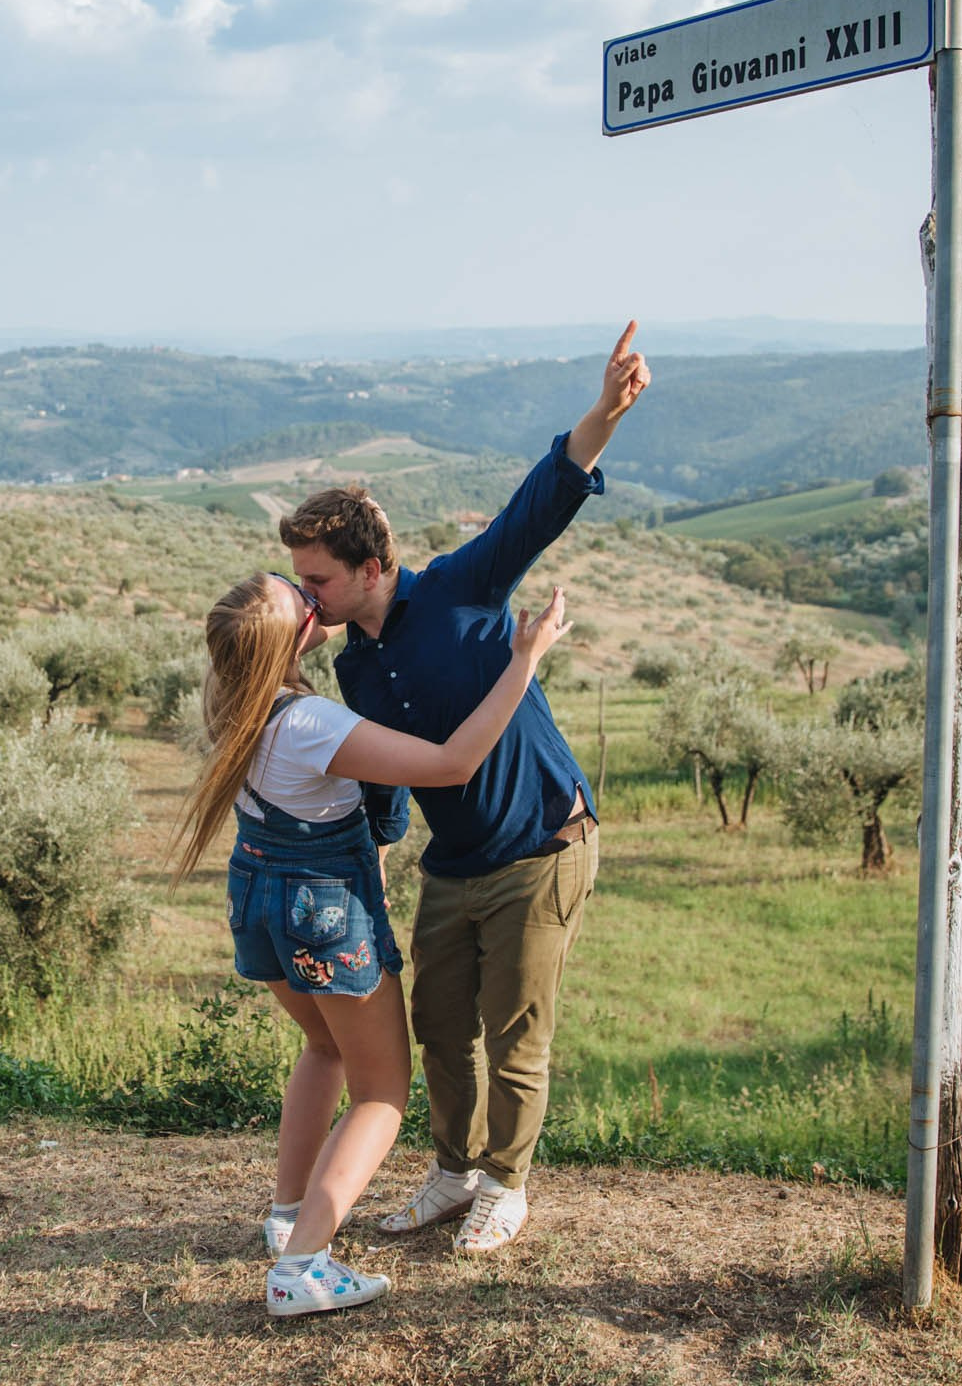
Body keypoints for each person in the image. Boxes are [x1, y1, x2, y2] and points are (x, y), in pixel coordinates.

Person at [281, 321, 650, 1255]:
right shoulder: (354, 669)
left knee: (514, 1032)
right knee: (439, 1029)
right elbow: (381, 778)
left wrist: (602, 414)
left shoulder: (458, 587)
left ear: (372, 567)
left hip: (542, 846)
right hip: (455, 864)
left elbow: (543, 501)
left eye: (318, 581)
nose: (308, 596)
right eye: (300, 583)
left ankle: (506, 1185)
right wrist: (371, 841)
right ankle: (450, 1172)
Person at [170, 569, 568, 1317]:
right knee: (382, 1091)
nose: (311, 596)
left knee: (322, 1049)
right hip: (321, 913)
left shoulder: (235, 706)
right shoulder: (312, 723)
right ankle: (303, 1264)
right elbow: (454, 764)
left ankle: (288, 1213)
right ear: (289, 642)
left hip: (258, 902)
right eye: (300, 601)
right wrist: (525, 660)